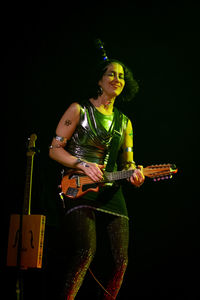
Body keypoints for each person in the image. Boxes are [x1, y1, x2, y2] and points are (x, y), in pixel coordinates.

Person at [49, 58, 145, 299]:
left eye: (122, 76)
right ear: (99, 80)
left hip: (111, 189)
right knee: (86, 250)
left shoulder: (125, 122)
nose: (117, 79)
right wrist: (81, 164)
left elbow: (128, 164)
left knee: (121, 260)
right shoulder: (78, 110)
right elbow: (54, 149)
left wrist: (135, 174)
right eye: (111, 74)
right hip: (77, 185)